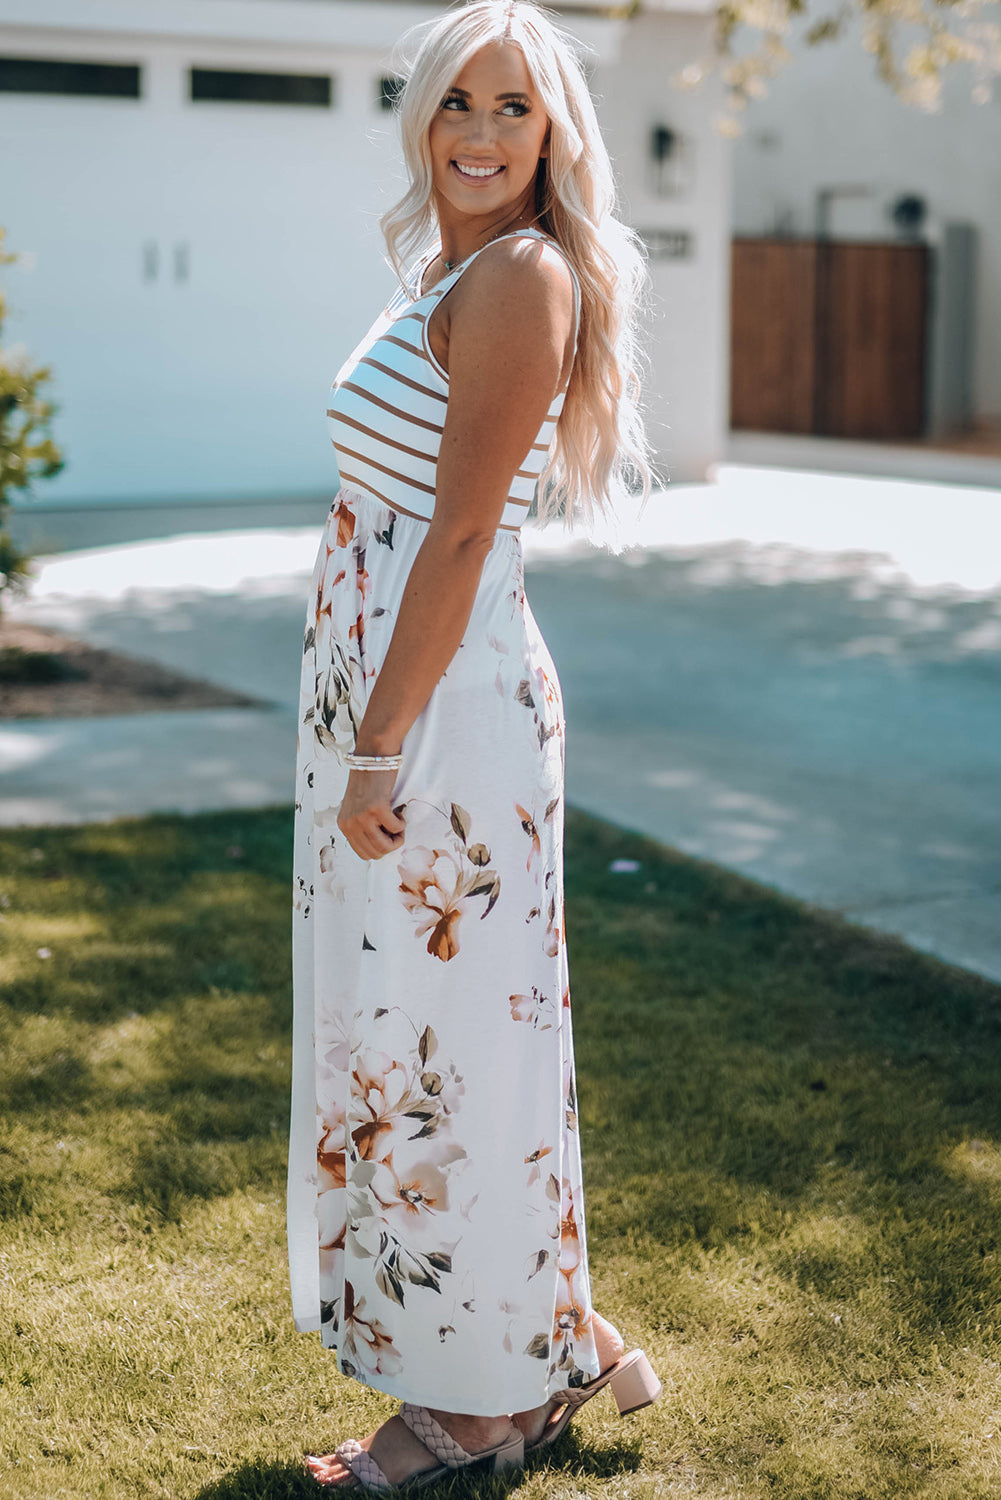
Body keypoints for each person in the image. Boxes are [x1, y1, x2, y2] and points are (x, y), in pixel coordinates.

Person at [288, 1, 661, 1488]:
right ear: (421, 119)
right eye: (459, 103)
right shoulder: (443, 267)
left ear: (554, 131)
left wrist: (378, 749)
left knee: (450, 1061)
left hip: (439, 717)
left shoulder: (516, 278)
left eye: (515, 108)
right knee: (422, 1048)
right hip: (395, 698)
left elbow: (457, 534)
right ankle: (526, 1351)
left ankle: (476, 1411)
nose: (482, 133)